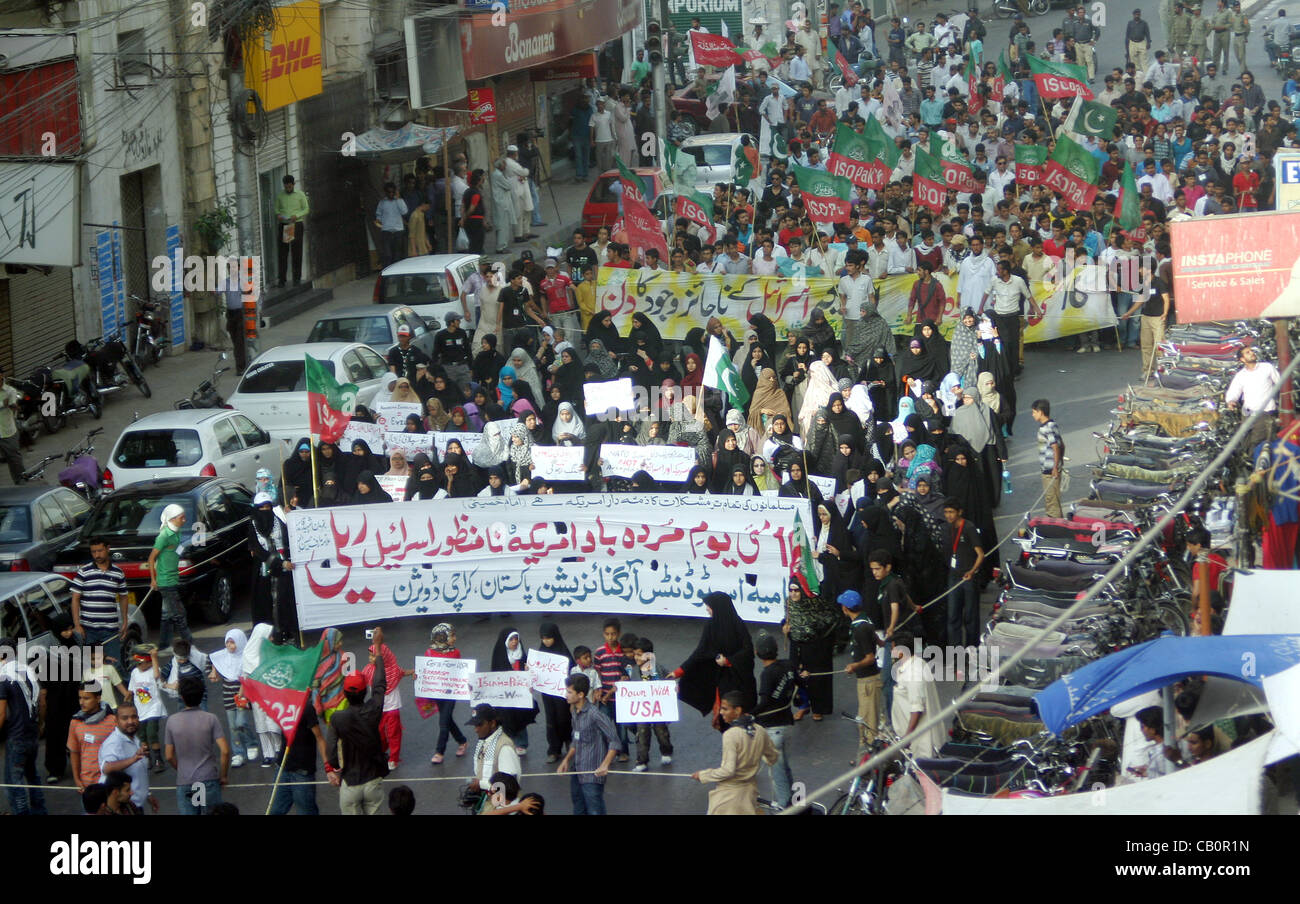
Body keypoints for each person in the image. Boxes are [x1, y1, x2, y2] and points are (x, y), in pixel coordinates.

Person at [326, 625, 390, 815]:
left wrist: (335, 768)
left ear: (345, 694)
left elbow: (331, 751)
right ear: (365, 692)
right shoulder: (373, 709)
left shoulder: (338, 719)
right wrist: (377, 648)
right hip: (372, 780)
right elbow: (379, 684)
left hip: (351, 783)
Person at [669, 591, 758, 725]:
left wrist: (728, 661)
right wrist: (679, 672)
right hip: (720, 678)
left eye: (709, 606)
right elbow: (700, 652)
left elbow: (748, 651)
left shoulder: (738, 624)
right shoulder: (710, 626)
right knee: (725, 717)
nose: (707, 609)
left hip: (738, 678)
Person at [691, 691, 780, 815]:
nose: (721, 712)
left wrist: (703, 775)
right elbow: (773, 757)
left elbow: (728, 770)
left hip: (728, 799)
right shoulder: (759, 730)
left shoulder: (731, 734)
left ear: (737, 710)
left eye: (725, 709)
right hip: (749, 795)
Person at [556, 673, 622, 815]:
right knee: (578, 809)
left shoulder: (594, 714)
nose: (566, 695)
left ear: (580, 694)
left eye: (569, 692)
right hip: (577, 769)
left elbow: (615, 740)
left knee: (595, 811)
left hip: (593, 773)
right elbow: (576, 739)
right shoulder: (574, 711)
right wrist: (566, 760)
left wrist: (605, 764)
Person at [164, 676, 230, 815]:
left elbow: (169, 756)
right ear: (201, 695)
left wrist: (180, 769)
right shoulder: (211, 718)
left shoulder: (172, 721)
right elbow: (224, 751)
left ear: (182, 697)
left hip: (185, 780)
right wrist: (223, 776)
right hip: (208, 778)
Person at [0, 635, 45, 814]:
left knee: (14, 783)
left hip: (16, 736)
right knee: (33, 776)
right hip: (32, 733)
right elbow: (42, 702)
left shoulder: (3, 677)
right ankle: (40, 811)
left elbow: (1, 713)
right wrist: (41, 725)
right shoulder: (28, 671)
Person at [752, 632, 798, 807]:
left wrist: (750, 714)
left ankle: (784, 806)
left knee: (777, 774)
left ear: (757, 653)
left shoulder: (767, 674)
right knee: (784, 768)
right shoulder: (788, 665)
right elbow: (799, 682)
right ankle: (793, 801)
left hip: (772, 729)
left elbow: (764, 702)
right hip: (785, 723)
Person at [71, 536, 129, 671]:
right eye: (93, 552)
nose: (97, 555)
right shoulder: (84, 572)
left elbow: (123, 597)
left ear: (108, 549)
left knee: (114, 665)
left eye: (100, 551)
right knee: (91, 668)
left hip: (110, 630)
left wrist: (125, 621)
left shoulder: (118, 573)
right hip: (88, 630)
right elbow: (75, 598)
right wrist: (77, 625)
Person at [268, 690, 328, 815]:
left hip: (302, 772)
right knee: (275, 811)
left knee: (306, 812)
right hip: (283, 767)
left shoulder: (306, 708)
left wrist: (329, 767)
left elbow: (320, 738)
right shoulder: (283, 705)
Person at [888, 630, 946, 758]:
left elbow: (917, 709)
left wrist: (907, 738)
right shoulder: (915, 664)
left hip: (920, 743)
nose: (891, 653)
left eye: (893, 649)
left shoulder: (913, 673)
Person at [97, 696, 159, 813]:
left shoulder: (134, 739)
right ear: (116, 721)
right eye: (125, 718)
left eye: (134, 717)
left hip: (134, 806)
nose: (130, 721)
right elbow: (107, 768)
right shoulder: (114, 743)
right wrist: (133, 759)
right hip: (122, 808)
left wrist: (147, 794)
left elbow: (138, 772)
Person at [419, 623, 470, 765]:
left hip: (450, 692)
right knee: (447, 719)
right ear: (441, 637)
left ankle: (439, 751)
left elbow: (459, 671)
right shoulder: (429, 653)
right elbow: (426, 672)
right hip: (437, 693)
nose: (454, 638)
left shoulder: (455, 652)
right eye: (451, 635)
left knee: (443, 722)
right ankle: (462, 740)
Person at [840, 590, 882, 749]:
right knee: (865, 719)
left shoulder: (860, 628)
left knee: (868, 722)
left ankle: (869, 758)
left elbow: (870, 657)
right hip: (867, 680)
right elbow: (877, 640)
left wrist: (854, 666)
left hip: (868, 681)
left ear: (846, 608)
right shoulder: (864, 620)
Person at [942, 497, 985, 653]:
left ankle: (972, 650)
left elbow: (980, 554)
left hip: (968, 578)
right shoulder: (946, 528)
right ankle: (956, 651)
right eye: (946, 512)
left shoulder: (968, 528)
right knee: (953, 616)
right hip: (953, 576)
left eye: (951, 512)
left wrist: (972, 571)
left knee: (970, 617)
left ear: (959, 512)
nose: (948, 515)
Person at [147, 503, 191, 650]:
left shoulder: (177, 532)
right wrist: (153, 580)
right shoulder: (164, 536)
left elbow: (176, 550)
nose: (184, 520)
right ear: (172, 519)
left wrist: (182, 551)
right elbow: (151, 558)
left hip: (173, 577)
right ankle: (189, 643)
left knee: (167, 615)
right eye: (181, 517)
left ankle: (164, 644)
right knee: (180, 614)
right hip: (166, 581)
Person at [465, 704, 523, 814]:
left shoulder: (504, 747)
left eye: (479, 724)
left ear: (492, 723)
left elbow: (510, 785)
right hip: (490, 800)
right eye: (474, 725)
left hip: (502, 807)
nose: (476, 729)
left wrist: (480, 784)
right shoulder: (485, 742)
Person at [1225, 345, 1280, 448]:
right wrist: (1231, 401)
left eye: (1251, 351)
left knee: (1257, 442)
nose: (1252, 353)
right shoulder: (1241, 375)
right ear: (1242, 359)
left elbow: (1280, 382)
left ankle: (1257, 462)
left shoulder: (1266, 367)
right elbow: (1234, 391)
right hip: (1247, 414)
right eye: (1248, 352)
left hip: (1264, 413)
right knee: (1246, 442)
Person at [125, 645, 167, 771]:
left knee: (151, 733)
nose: (139, 666)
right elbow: (131, 690)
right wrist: (126, 702)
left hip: (153, 708)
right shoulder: (135, 673)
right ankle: (147, 758)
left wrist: (154, 658)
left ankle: (159, 759)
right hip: (140, 710)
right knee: (142, 735)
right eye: (137, 664)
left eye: (141, 663)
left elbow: (156, 675)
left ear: (149, 662)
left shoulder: (154, 670)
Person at [1031, 399, 1064, 519]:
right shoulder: (1053, 424)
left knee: (1051, 501)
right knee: (1054, 499)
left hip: (1049, 470)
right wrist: (1060, 462)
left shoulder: (1046, 428)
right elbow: (1062, 444)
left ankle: (1056, 527)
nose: (1033, 415)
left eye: (1034, 412)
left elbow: (1055, 446)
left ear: (1040, 412)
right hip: (1054, 467)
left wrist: (1055, 467)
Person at [275, 174, 308, 287]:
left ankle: (297, 278)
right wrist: (278, 215)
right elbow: (276, 209)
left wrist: (297, 215)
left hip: (296, 224)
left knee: (296, 252)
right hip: (285, 225)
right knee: (283, 253)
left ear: (293, 185)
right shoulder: (280, 196)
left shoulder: (300, 195)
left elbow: (306, 209)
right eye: (286, 187)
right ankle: (282, 280)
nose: (288, 189)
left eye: (290, 187)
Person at [0, 366, 25, 484]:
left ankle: (21, 482)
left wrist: (14, 406)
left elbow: (12, 403)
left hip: (7, 431)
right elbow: (4, 403)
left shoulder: (10, 391)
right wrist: (1, 404)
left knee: (14, 460)